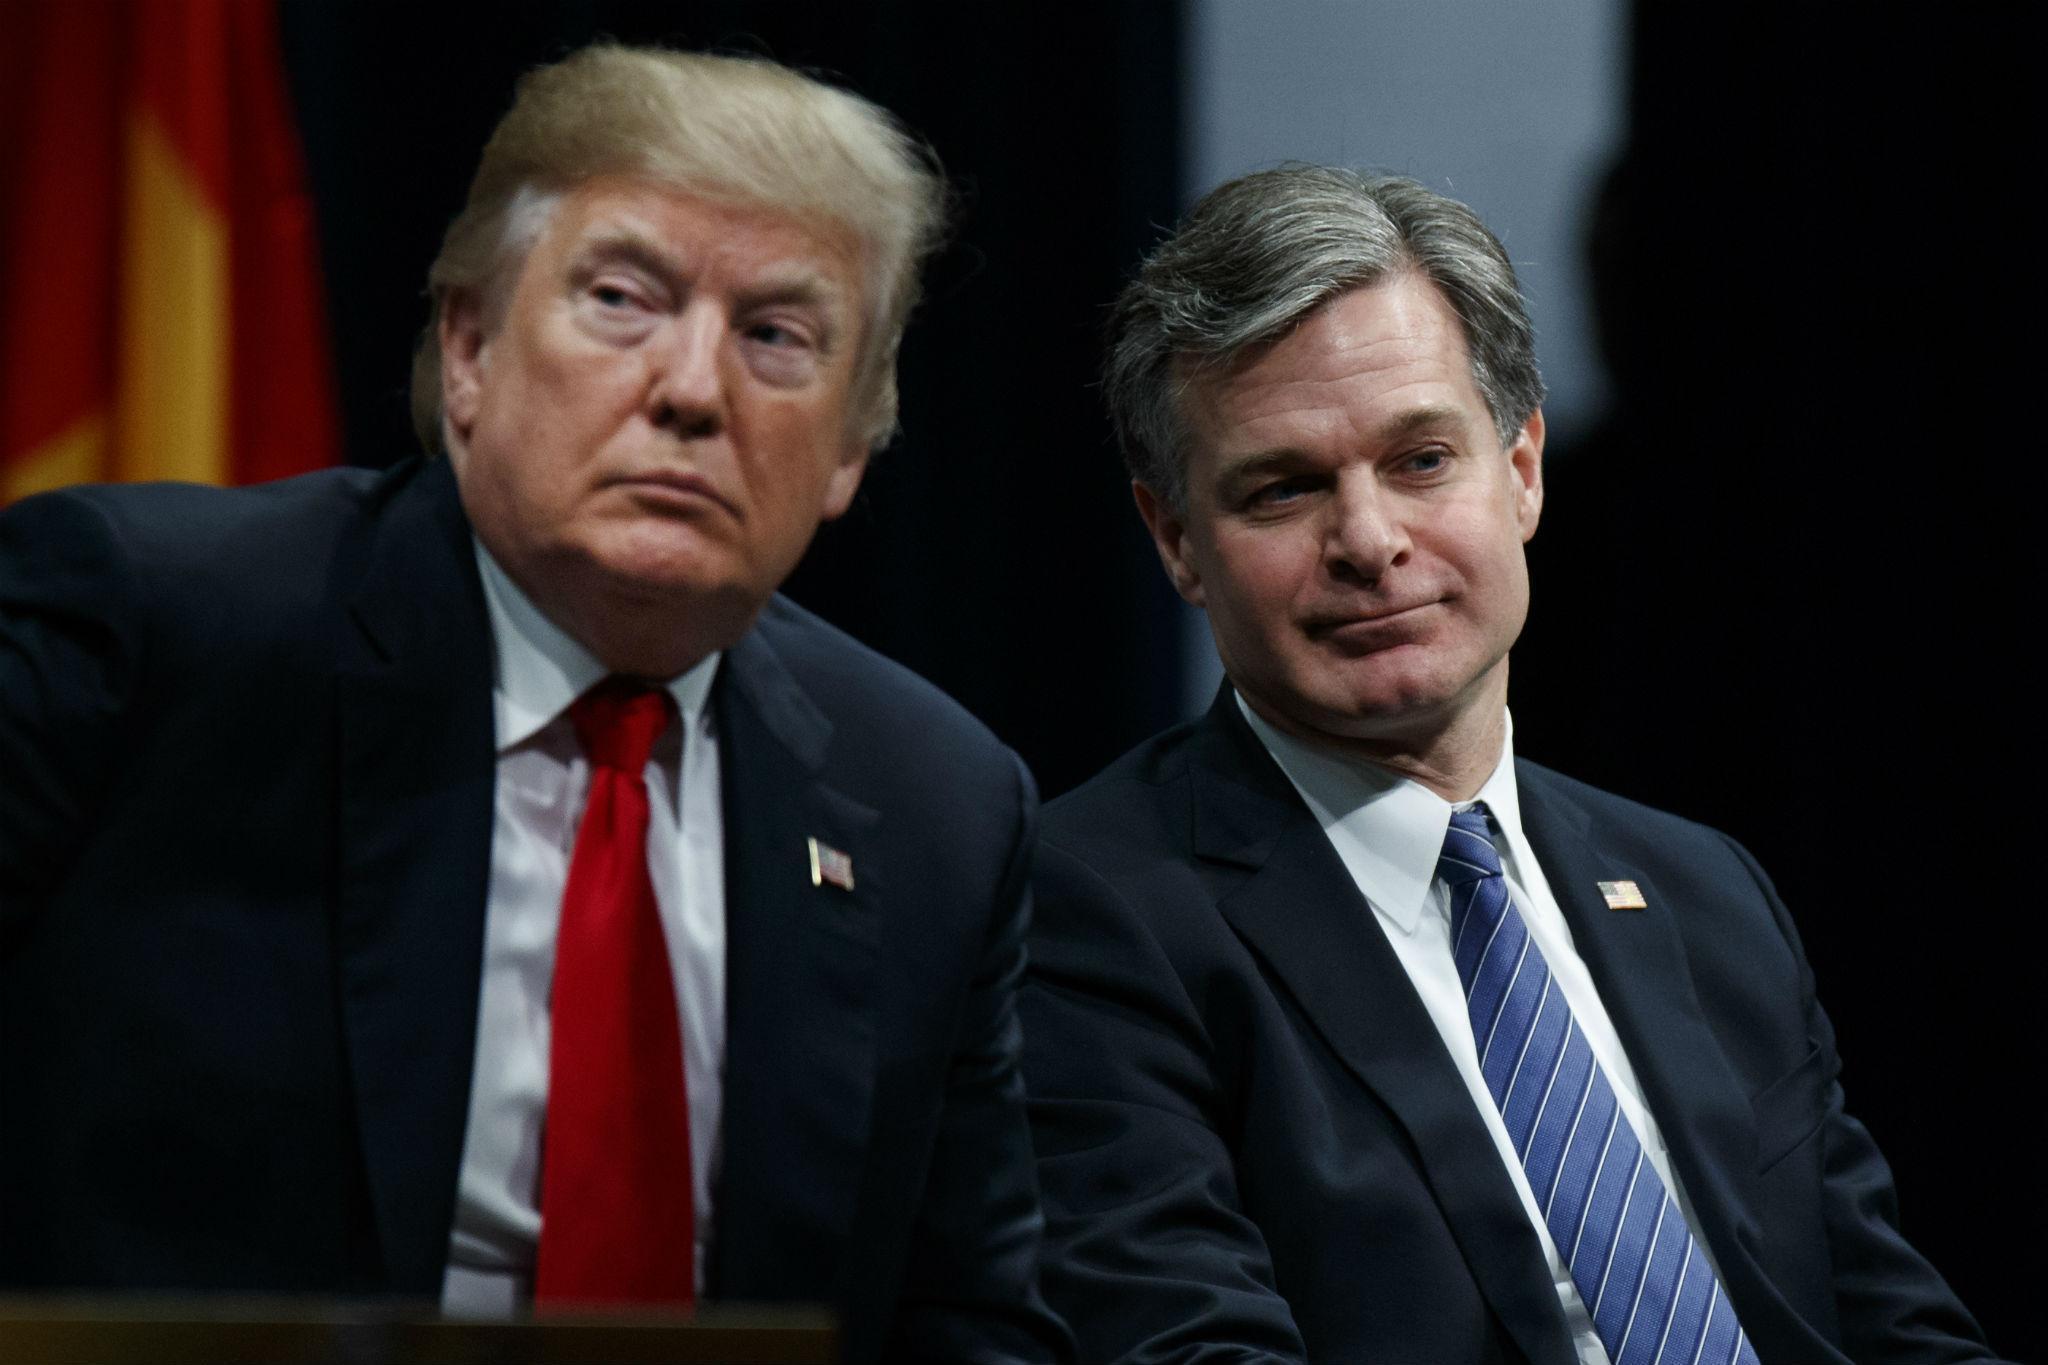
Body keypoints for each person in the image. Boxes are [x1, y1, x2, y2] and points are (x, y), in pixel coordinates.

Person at [0, 45, 1068, 1365]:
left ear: (851, 449)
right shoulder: (158, 632)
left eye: (777, 336)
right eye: (623, 299)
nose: (691, 389)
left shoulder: (937, 805)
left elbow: (969, 1324)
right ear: (468, 351)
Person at [1019, 165, 2004, 1365]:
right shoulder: (1092, 913)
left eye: (1420, 460)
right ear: (1175, 539)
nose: (1370, 542)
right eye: (1282, 490)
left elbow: (1888, 1325)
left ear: (1522, 468)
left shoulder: (1704, 894)